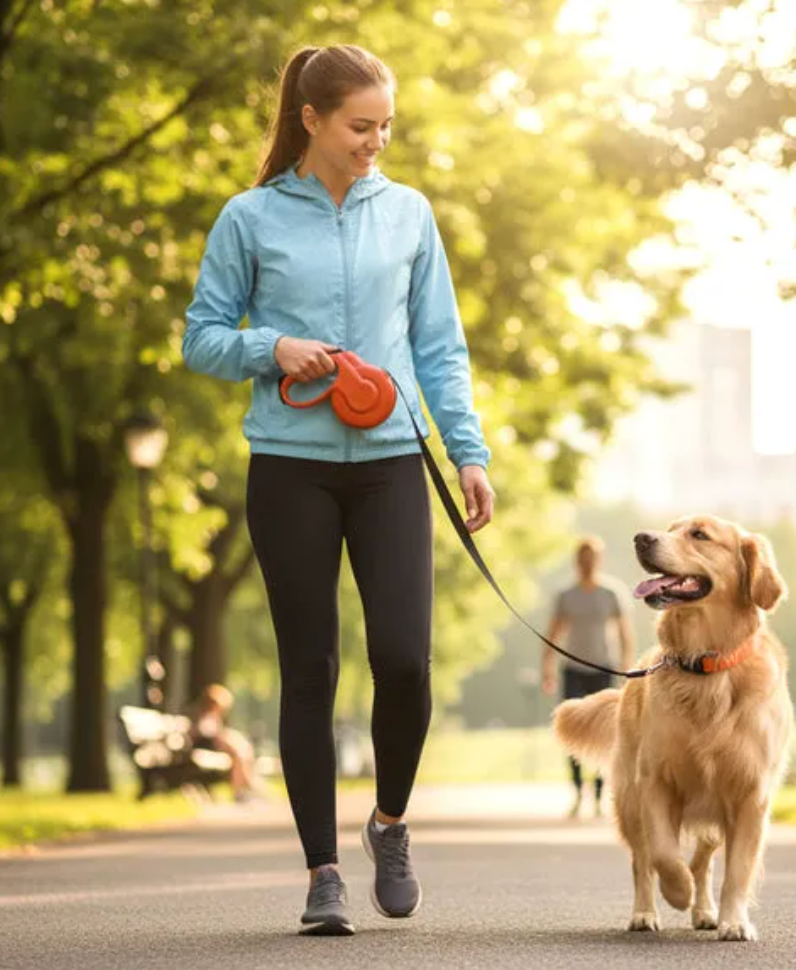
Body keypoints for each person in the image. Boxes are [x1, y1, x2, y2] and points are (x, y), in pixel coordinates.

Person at [182, 44, 495, 937]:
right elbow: (201, 337)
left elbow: (439, 345)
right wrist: (269, 347)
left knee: (404, 660)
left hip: (395, 459)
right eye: (361, 126)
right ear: (311, 121)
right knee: (309, 667)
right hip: (290, 465)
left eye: (386, 127)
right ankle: (323, 872)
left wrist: (467, 451)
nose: (376, 143)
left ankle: (388, 824)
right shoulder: (249, 218)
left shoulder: (409, 215)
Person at [541, 537, 633, 819]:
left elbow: (624, 633)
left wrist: (627, 671)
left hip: (605, 669)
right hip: (573, 670)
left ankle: (599, 796)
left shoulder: (611, 593)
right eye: (583, 558)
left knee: (607, 735)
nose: (587, 562)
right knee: (572, 730)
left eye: (592, 557)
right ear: (576, 561)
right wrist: (547, 668)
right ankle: (578, 791)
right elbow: (553, 632)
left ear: (599, 560)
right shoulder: (566, 595)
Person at [188, 683, 260, 803]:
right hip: (208, 748)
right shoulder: (204, 717)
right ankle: (242, 788)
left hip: (215, 747)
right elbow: (207, 734)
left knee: (241, 751)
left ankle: (247, 785)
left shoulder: (213, 717)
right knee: (238, 753)